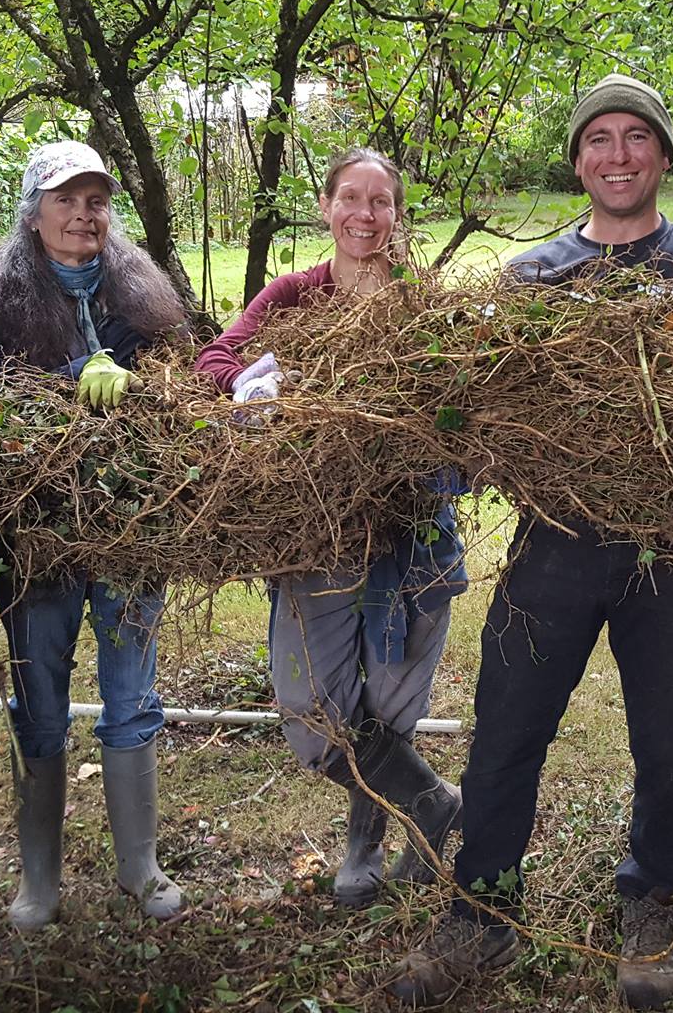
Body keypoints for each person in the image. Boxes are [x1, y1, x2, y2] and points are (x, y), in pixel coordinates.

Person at [391, 73, 673, 1011]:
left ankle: (659, 898)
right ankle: (484, 908)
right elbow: (489, 422)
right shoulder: (532, 281)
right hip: (554, 543)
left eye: (638, 136)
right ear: (578, 160)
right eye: (600, 139)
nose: (619, 154)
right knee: (506, 729)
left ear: (665, 155)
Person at [194, 147, 470, 910]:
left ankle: (364, 849)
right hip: (316, 536)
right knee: (315, 715)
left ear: (397, 215)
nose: (365, 215)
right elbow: (213, 361)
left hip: (412, 541)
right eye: (351, 197)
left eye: (381, 202)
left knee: (389, 708)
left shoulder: (421, 305)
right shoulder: (294, 297)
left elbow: (469, 408)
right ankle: (430, 802)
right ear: (325, 206)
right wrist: (264, 383)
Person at [0, 141, 191, 929]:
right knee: (41, 704)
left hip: (128, 530)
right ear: (33, 213)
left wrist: (144, 384)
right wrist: (70, 383)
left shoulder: (141, 296)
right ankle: (39, 880)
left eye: (96, 200)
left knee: (132, 694)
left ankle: (140, 867)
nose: (83, 213)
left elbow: (183, 385)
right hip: (37, 540)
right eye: (66, 199)